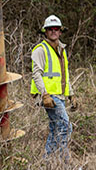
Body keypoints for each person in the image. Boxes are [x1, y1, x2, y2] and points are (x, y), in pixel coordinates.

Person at [30, 15, 71, 160]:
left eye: (56, 29)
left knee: (55, 129)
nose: (53, 31)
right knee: (65, 126)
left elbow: (64, 74)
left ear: (60, 31)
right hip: (49, 96)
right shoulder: (40, 50)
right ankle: (63, 162)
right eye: (50, 29)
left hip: (59, 96)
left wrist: (71, 94)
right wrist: (44, 95)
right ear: (45, 32)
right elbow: (36, 74)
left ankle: (47, 162)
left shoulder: (61, 50)